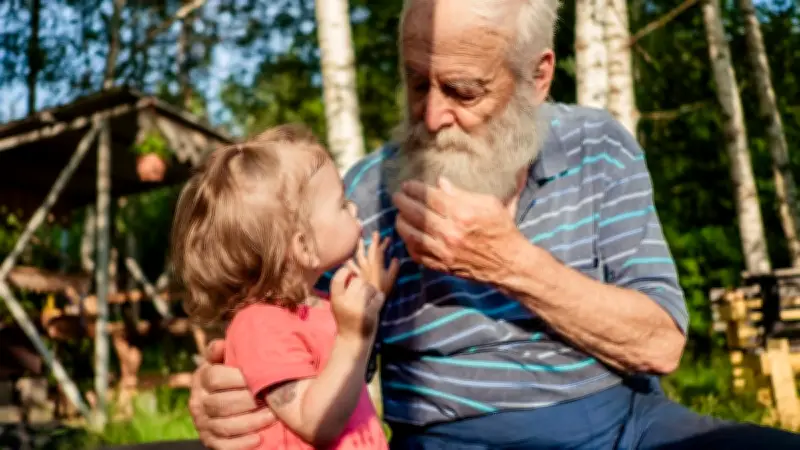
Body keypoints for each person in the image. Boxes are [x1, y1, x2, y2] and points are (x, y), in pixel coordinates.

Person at [186, 0, 800, 448]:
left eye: (462, 90)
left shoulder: (598, 148)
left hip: (627, 427)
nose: (431, 115)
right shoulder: (363, 194)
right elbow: (304, 351)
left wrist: (510, 263)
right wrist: (226, 396)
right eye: (416, 81)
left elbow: (661, 342)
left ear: (537, 76)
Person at [170, 125, 399, 449]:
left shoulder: (316, 304)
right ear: (304, 247)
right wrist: (354, 335)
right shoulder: (260, 326)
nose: (355, 209)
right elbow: (316, 423)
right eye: (341, 204)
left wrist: (370, 296)